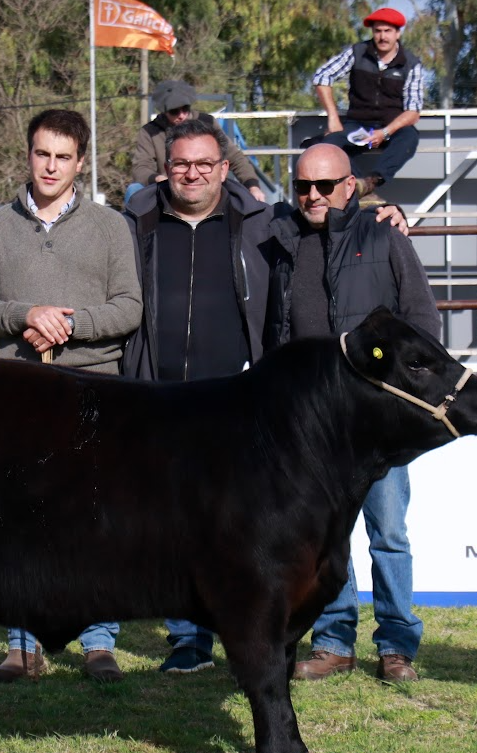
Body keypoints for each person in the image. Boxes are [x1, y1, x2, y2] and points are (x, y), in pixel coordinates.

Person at [0, 108, 143, 684]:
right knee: (19, 518)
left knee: (93, 516)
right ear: (29, 154)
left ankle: (97, 640)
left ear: (81, 163)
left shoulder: (112, 227)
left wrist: (68, 323)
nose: (51, 166)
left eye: (63, 157)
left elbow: (129, 307)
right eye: (43, 154)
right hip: (17, 388)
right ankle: (22, 644)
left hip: (94, 386)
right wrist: (25, 315)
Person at [267, 142, 440, 684]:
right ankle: (334, 641)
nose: (312, 196)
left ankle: (397, 645)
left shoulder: (385, 236)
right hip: (312, 424)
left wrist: (397, 398)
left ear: (350, 186)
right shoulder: (282, 238)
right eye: (302, 186)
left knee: (388, 532)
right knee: (325, 537)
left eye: (324, 185)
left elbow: (423, 325)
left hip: (378, 421)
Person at [122, 119, 275, 674]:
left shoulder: (259, 222)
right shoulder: (135, 220)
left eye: (204, 164)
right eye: (182, 164)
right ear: (166, 168)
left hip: (232, 399)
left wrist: (383, 208)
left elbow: (321, 230)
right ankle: (188, 639)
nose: (192, 174)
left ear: (222, 168)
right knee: (174, 525)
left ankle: (247, 630)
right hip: (156, 396)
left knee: (237, 525)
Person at [309, 6, 425, 198]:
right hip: (358, 125)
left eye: (387, 31)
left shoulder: (411, 64)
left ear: (398, 33)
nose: (382, 37)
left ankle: (373, 180)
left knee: (409, 138)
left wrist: (385, 132)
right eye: (378, 31)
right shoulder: (357, 52)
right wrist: (333, 119)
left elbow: (413, 112)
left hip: (392, 129)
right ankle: (362, 188)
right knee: (330, 143)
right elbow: (322, 77)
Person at [127, 80, 266, 204]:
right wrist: (159, 179)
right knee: (134, 190)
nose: (181, 115)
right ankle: (131, 231)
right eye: (174, 111)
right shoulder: (150, 131)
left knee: (241, 196)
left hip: (206, 186)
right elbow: (141, 168)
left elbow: (235, 157)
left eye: (185, 109)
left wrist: (252, 186)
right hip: (168, 189)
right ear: (164, 111)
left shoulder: (208, 123)